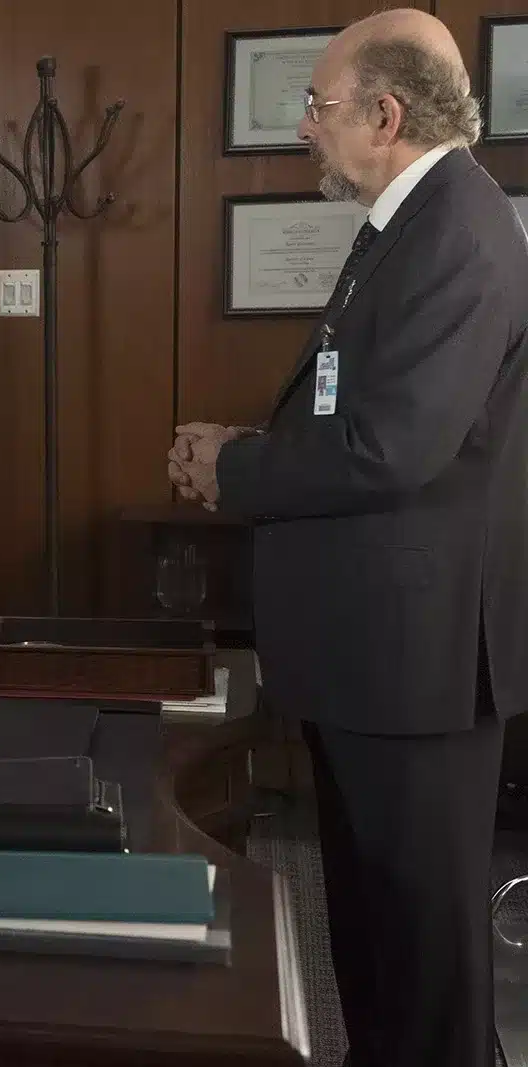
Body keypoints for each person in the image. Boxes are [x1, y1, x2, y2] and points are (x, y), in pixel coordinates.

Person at [167, 9, 528, 1066]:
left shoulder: (457, 232)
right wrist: (252, 444)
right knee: (378, 945)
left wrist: (235, 470)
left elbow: (392, 449)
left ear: (386, 115)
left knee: (423, 963)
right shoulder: (413, 224)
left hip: (416, 664)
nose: (303, 127)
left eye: (317, 105)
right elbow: (366, 416)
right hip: (379, 658)